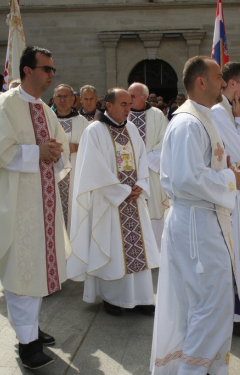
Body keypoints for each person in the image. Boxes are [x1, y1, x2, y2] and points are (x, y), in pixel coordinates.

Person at [0, 46, 71, 370]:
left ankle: (31, 330)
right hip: (17, 206)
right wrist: (37, 152)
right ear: (27, 70)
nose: (51, 74)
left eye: (53, 69)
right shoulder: (5, 105)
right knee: (20, 268)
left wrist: (55, 152)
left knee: (36, 267)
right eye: (46, 68)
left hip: (44, 204)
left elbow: (59, 148)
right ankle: (27, 345)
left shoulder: (44, 108)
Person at [151, 56, 240, 375]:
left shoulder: (202, 118)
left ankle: (204, 368)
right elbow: (187, 178)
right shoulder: (189, 122)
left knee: (203, 306)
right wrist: (231, 180)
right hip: (197, 226)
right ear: (201, 82)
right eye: (219, 77)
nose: (224, 83)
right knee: (210, 306)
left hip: (201, 221)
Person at [67, 88, 159, 316]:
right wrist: (121, 191)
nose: (128, 108)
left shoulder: (132, 128)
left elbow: (141, 159)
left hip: (134, 201)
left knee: (136, 249)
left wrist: (142, 185)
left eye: (129, 104)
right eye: (123, 104)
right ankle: (113, 298)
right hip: (109, 203)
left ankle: (142, 297)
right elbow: (93, 168)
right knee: (112, 248)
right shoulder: (94, 131)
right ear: (108, 105)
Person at [210, 61, 240, 338]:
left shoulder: (230, 111)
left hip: (232, 195)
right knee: (229, 257)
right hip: (223, 197)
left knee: (236, 257)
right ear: (229, 83)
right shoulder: (220, 113)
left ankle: (234, 314)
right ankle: (229, 317)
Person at [128, 82, 169, 249]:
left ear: (144, 97)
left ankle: (154, 251)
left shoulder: (157, 115)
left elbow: (165, 143)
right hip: (127, 173)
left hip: (151, 174)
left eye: (132, 96)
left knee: (152, 210)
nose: (128, 100)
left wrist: (143, 161)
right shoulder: (123, 114)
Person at [53, 83, 89, 234]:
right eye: (59, 96)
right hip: (52, 174)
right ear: (54, 99)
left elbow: (93, 148)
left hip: (75, 174)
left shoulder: (82, 122)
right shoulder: (48, 120)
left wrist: (78, 147)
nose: (63, 100)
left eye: (66, 96)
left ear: (74, 99)